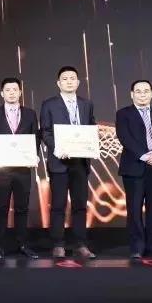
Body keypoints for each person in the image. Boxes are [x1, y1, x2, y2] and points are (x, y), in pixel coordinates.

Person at [39, 65, 97, 259]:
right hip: (59, 162)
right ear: (58, 83)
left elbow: (91, 128)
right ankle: (58, 244)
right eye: (65, 79)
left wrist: (90, 146)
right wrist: (57, 148)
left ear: (78, 82)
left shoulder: (86, 104)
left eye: (72, 78)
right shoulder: (49, 104)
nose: (69, 81)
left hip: (80, 162)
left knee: (80, 204)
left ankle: (80, 244)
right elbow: (45, 131)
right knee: (58, 204)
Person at [116, 80, 152, 261]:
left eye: (146, 91)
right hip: (134, 167)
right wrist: (143, 155)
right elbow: (124, 137)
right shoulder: (123, 114)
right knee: (134, 210)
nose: (142, 94)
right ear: (132, 94)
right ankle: (137, 248)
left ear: (151, 93)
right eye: (138, 91)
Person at [0, 77, 40, 260]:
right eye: (8, 90)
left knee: (22, 208)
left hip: (23, 169)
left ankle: (22, 244)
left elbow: (35, 137)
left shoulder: (30, 114)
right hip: (3, 169)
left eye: (15, 89)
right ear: (2, 93)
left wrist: (33, 155)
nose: (12, 93)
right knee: (1, 207)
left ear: (20, 92)